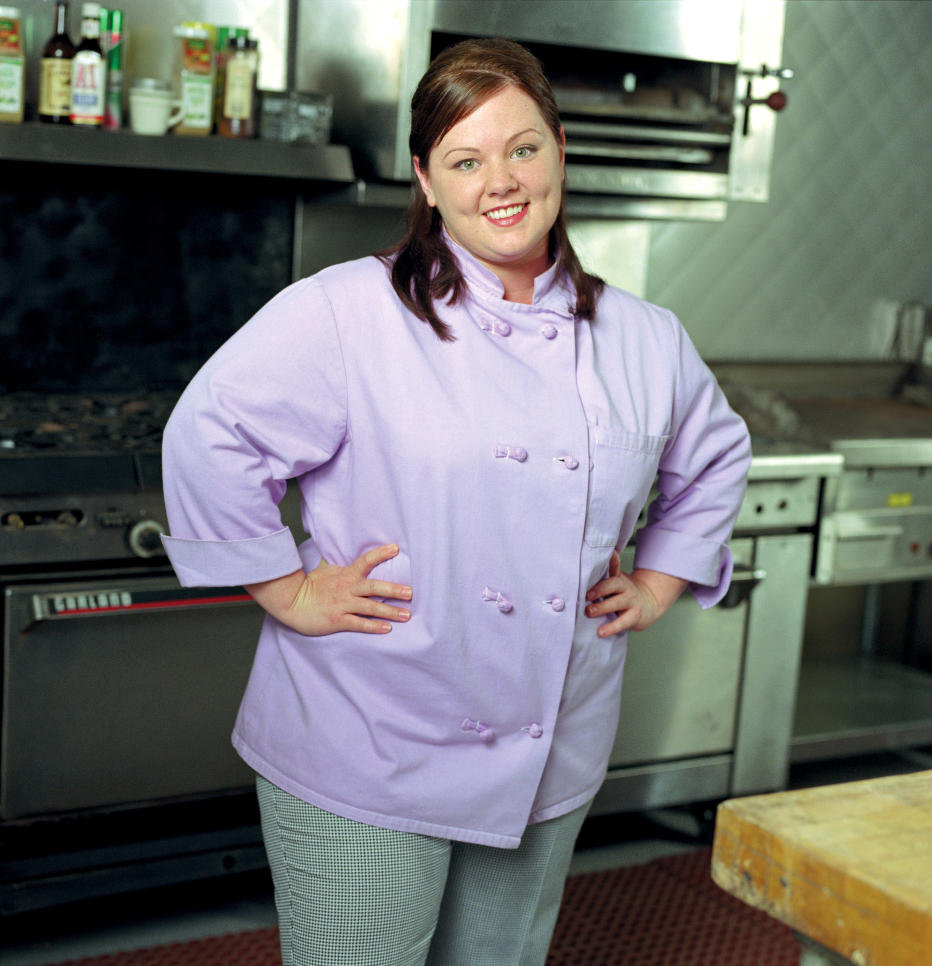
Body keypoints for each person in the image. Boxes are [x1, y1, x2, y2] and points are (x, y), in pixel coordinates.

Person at [161, 37, 751, 966]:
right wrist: (287, 588)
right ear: (427, 182)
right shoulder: (347, 314)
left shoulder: (647, 338)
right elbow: (209, 432)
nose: (501, 182)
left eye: (522, 148)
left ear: (561, 148)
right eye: (466, 161)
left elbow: (714, 456)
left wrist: (663, 579)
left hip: (547, 742)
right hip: (372, 732)